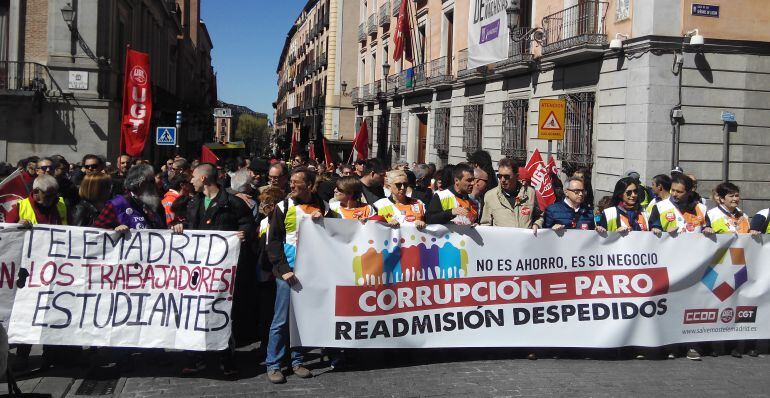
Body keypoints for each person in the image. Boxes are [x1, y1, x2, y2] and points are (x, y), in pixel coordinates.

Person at [171, 163, 255, 376]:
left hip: (222, 271)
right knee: (194, 311)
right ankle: (195, 358)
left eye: (193, 177)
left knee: (222, 313)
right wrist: (179, 228)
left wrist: (244, 233)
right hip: (198, 269)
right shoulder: (192, 204)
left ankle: (226, 358)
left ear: (203, 179)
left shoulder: (232, 203)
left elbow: (249, 224)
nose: (190, 181)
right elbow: (184, 225)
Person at [265, 168, 329, 383]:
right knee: (281, 320)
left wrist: (325, 220)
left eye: (296, 182)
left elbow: (339, 233)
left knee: (302, 319)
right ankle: (273, 364)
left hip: (311, 273)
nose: (291, 185)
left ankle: (297, 360)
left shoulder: (324, 206)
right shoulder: (283, 207)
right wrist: (283, 269)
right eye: (291, 182)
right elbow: (273, 242)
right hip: (288, 272)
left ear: (309, 185)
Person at [5, 174, 69, 370]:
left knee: (51, 312)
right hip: (28, 272)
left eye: (54, 194)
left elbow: (69, 230)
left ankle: (51, 354)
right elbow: (7, 235)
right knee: (29, 314)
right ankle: (22, 355)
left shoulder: (60, 205)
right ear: (36, 193)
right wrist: (18, 226)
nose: (53, 199)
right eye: (48, 195)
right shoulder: (20, 207)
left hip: (54, 267)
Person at [93, 164, 166, 231]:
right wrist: (114, 229)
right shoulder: (117, 204)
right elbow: (97, 230)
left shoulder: (156, 203)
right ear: (141, 184)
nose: (155, 183)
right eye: (152, 181)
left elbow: (164, 228)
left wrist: (175, 226)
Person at [480, 158, 541, 232]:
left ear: (517, 176)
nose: (502, 180)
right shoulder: (490, 196)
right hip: (502, 242)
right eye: (499, 176)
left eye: (506, 177)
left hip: (525, 242)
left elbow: (539, 216)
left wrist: (537, 224)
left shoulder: (530, 193)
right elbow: (485, 225)